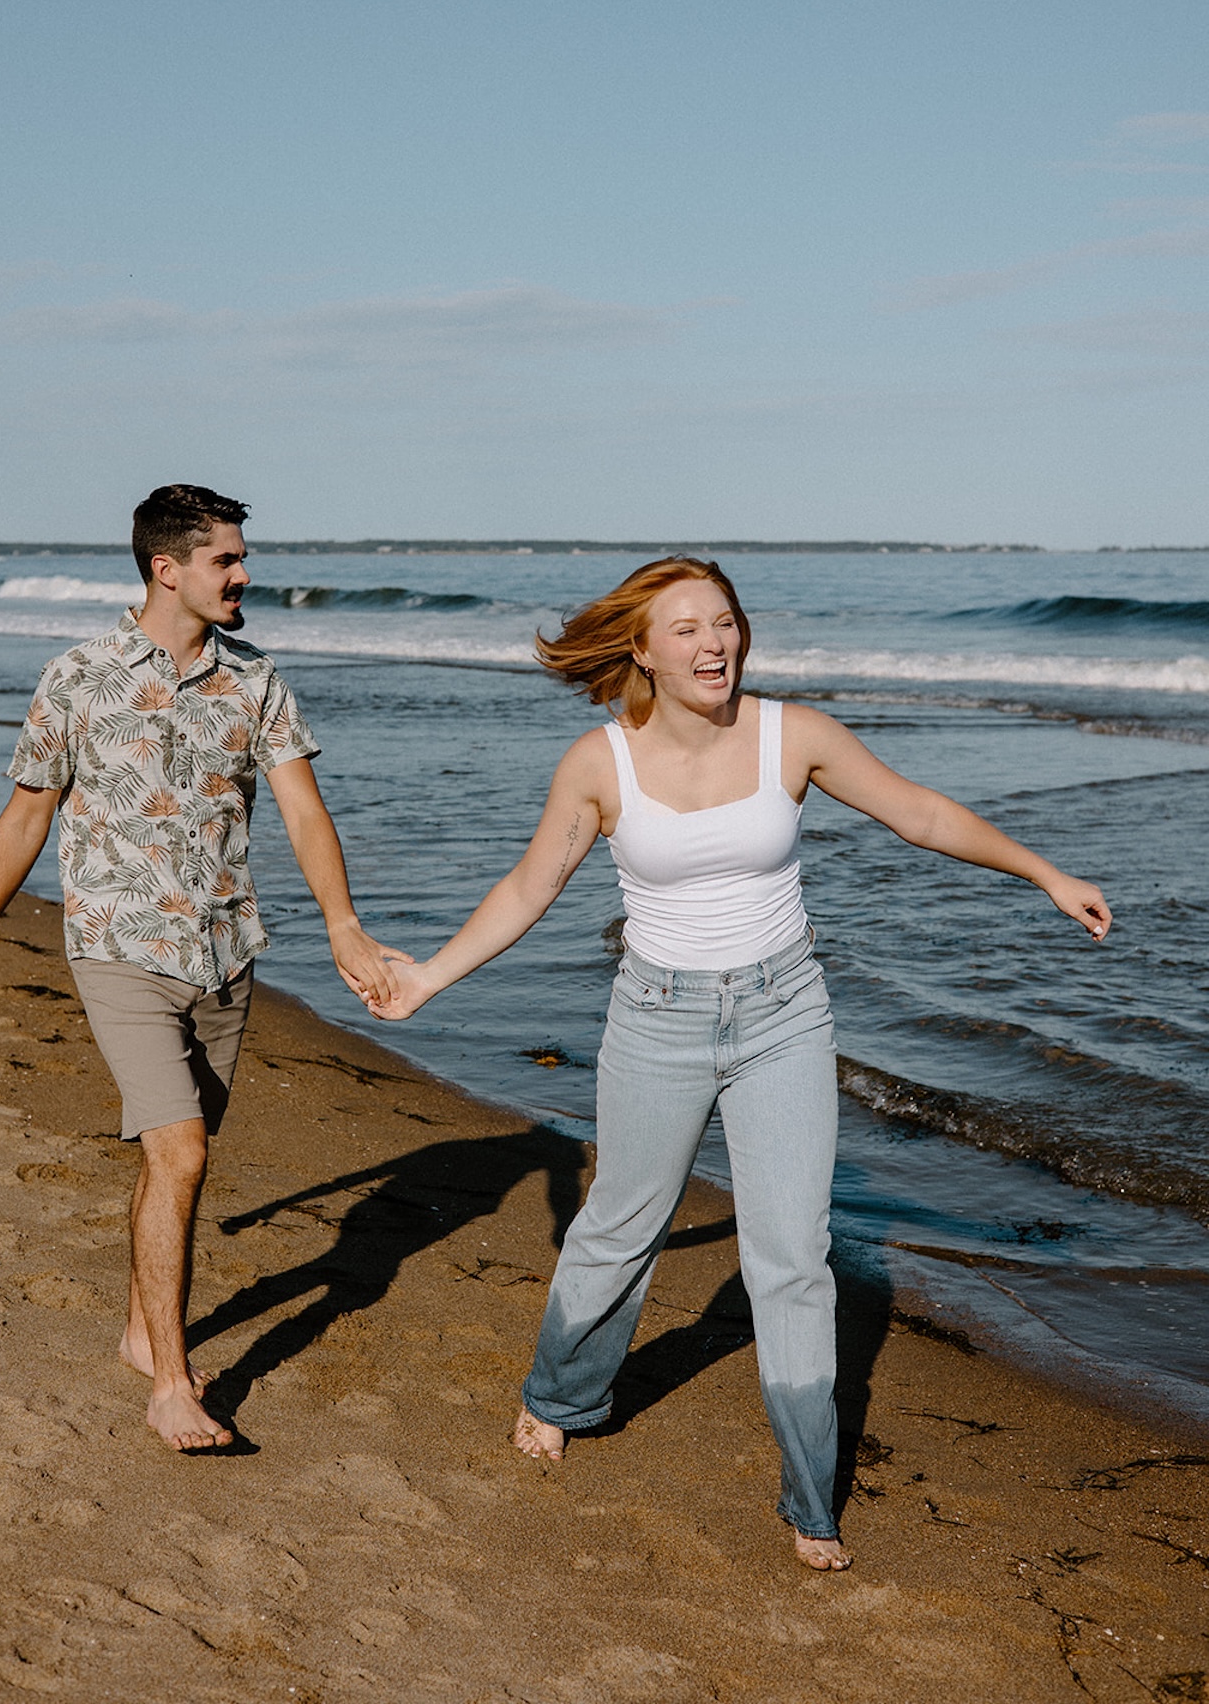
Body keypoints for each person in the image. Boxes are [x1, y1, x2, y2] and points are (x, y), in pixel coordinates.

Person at [368, 555, 1110, 1571]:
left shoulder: (788, 735)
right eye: (685, 628)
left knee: (791, 1257)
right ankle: (560, 1396)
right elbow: (527, 888)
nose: (711, 643)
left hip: (781, 1015)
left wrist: (1043, 871)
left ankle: (811, 1500)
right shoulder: (599, 762)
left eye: (722, 622)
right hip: (655, 1019)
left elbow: (919, 813)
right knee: (621, 1226)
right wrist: (426, 980)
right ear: (641, 649)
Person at [0, 484, 407, 1453]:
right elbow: (29, 812)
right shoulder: (78, 675)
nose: (245, 574)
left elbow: (304, 811)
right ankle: (170, 1383)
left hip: (226, 952)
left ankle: (135, 1327)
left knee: (178, 1165)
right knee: (182, 1152)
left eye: (241, 557)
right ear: (168, 567)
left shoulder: (257, 679)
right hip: (116, 946)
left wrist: (344, 927)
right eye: (226, 559)